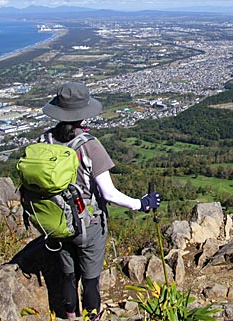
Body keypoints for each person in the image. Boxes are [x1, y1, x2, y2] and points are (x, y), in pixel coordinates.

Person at [40, 82, 161, 320]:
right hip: (87, 224)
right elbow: (109, 193)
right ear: (83, 113)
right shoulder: (88, 145)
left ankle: (70, 315)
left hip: (55, 221)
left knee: (68, 275)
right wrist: (142, 203)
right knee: (90, 279)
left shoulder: (44, 141)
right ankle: (91, 317)